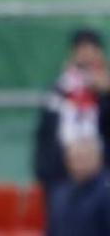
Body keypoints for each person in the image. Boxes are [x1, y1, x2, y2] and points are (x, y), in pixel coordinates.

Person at [34, 28, 110, 195]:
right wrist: (44, 171)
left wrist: (105, 93)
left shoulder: (105, 88)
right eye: (81, 50)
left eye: (91, 50)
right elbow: (45, 132)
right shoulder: (59, 89)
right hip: (60, 175)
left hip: (101, 177)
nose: (86, 56)